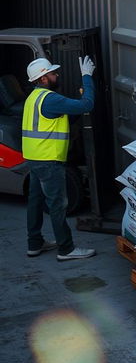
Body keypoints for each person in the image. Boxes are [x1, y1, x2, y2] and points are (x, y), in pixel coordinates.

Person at [23, 56, 97, 261]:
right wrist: (87, 78)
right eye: (53, 73)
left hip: (34, 158)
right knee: (58, 205)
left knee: (35, 202)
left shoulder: (34, 97)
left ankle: (34, 243)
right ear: (44, 78)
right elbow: (87, 105)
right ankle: (66, 249)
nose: (57, 75)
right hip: (49, 161)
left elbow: (60, 118)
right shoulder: (50, 99)